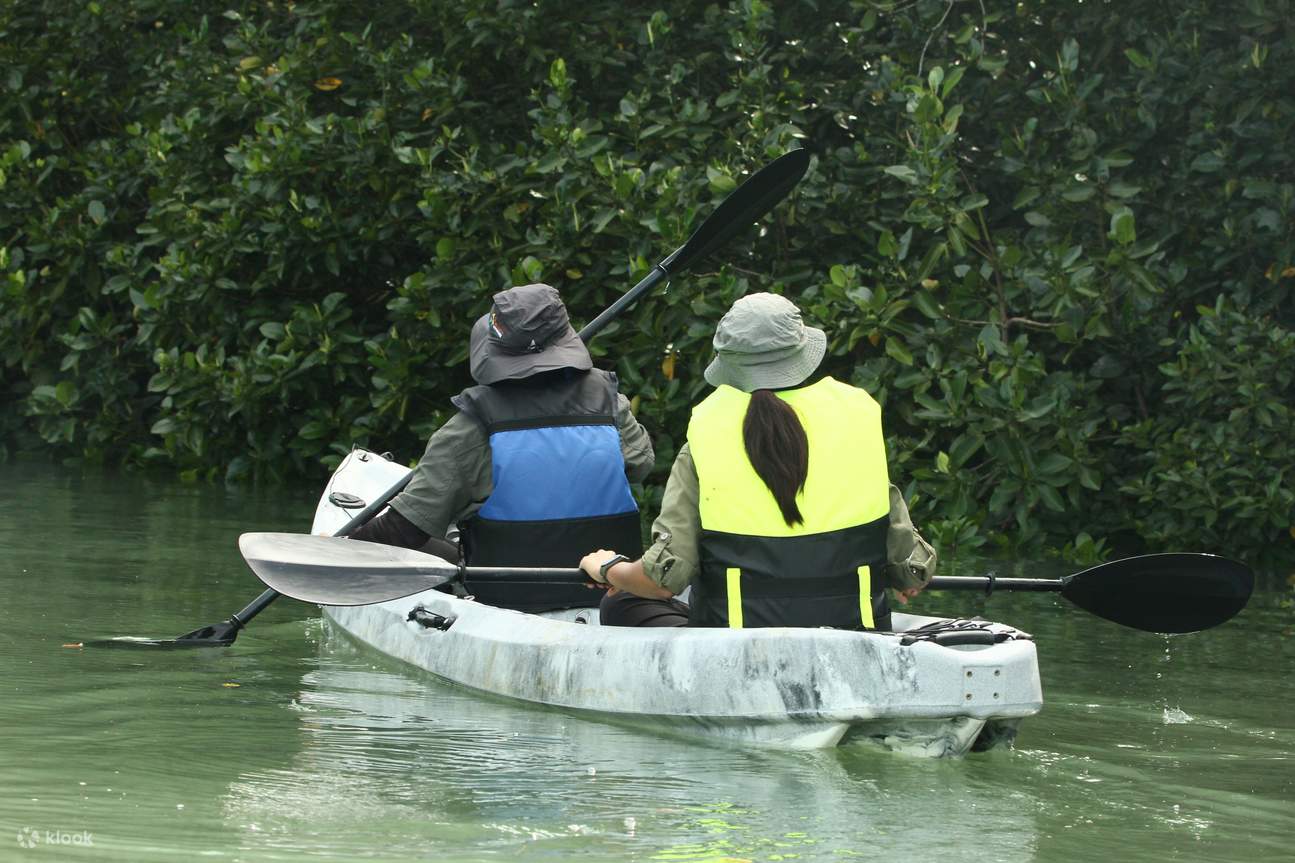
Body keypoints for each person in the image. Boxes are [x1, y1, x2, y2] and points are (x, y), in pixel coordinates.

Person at [578, 292, 935, 630]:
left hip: (734, 640)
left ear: (730, 365)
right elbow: (912, 571)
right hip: (857, 631)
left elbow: (665, 581)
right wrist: (901, 576)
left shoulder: (706, 434)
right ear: (800, 355)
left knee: (622, 602)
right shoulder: (858, 419)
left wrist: (610, 569)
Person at [350, 283, 654, 611]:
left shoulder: (469, 428)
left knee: (429, 541)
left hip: (511, 600)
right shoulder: (612, 404)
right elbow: (640, 465)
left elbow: (405, 530)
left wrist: (345, 548)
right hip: (609, 591)